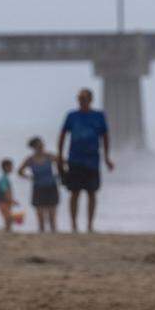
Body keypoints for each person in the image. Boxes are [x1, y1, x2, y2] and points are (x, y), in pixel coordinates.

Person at [57, 88, 113, 233]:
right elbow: (62, 135)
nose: (81, 101)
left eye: (84, 98)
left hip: (92, 160)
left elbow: (105, 137)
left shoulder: (99, 116)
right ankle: (74, 225)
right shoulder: (72, 116)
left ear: (90, 100)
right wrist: (59, 155)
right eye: (79, 98)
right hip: (75, 159)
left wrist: (107, 157)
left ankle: (89, 225)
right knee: (74, 193)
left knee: (92, 193)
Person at [18, 137, 62, 233]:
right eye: (39, 146)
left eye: (42, 145)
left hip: (51, 187)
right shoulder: (30, 159)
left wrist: (59, 174)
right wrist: (29, 177)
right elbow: (20, 171)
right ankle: (42, 234)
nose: (41, 147)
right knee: (40, 217)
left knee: (52, 216)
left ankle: (54, 235)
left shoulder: (49, 156)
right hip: (38, 188)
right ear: (34, 147)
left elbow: (63, 162)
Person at [0, 158, 20, 232]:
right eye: (11, 166)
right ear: (6, 167)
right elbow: (5, 191)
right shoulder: (4, 179)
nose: (12, 168)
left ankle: (8, 231)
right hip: (4, 202)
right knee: (8, 218)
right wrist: (12, 200)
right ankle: (7, 231)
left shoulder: (5, 178)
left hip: (5, 202)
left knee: (8, 219)